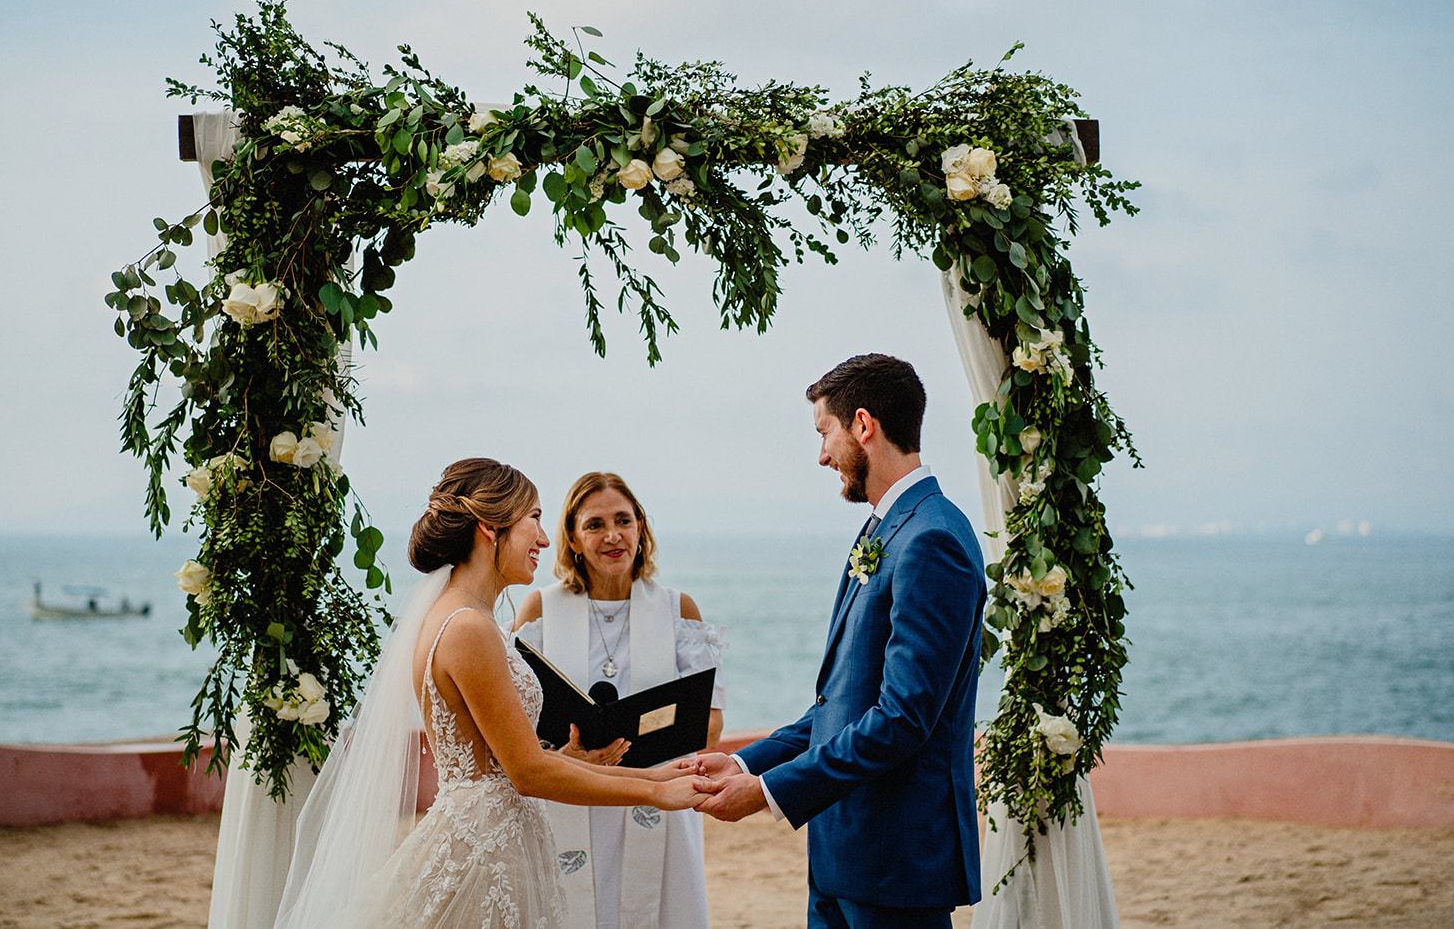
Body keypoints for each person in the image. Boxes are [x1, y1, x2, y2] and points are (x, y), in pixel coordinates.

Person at [273, 458, 718, 929]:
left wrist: (649, 774)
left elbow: (511, 761)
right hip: (485, 852)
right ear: (490, 527)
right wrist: (655, 792)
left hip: (501, 834)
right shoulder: (468, 628)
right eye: (534, 519)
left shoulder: (468, 617)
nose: (542, 539)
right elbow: (527, 772)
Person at [693, 354, 987, 928]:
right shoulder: (887, 528)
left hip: (895, 861)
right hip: (843, 854)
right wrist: (746, 762)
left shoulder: (932, 541)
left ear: (863, 424)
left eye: (824, 432)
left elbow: (902, 718)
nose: (822, 455)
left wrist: (767, 792)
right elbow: (844, 701)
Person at [513, 472, 726, 929]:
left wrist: (640, 750)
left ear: (640, 528)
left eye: (623, 521)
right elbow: (517, 718)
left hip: (659, 797)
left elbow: (709, 724)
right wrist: (567, 756)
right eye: (595, 524)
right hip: (572, 795)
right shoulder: (540, 610)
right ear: (573, 538)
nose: (612, 535)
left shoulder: (678, 609)